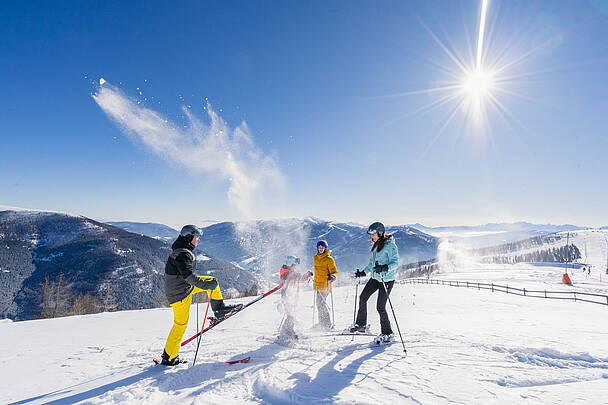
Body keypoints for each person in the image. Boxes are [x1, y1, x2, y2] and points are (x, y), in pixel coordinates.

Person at [161, 225, 240, 366]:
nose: (198, 241)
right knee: (180, 325)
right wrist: (204, 286)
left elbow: (188, 277)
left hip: (183, 287)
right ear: (188, 237)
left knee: (213, 282)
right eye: (196, 237)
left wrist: (207, 285)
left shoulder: (182, 251)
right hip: (180, 294)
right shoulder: (183, 254)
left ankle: (219, 309)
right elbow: (188, 276)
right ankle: (169, 358)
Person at [350, 222, 399, 344]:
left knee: (380, 307)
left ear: (380, 233)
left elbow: (395, 263)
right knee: (363, 298)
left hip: (386, 279)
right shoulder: (376, 245)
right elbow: (372, 264)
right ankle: (361, 325)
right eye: (371, 234)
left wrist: (384, 268)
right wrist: (363, 272)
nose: (372, 236)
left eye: (374, 233)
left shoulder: (390, 246)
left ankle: (387, 334)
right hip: (375, 277)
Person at [312, 240, 338, 330]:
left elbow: (334, 272)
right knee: (319, 304)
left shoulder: (329, 259)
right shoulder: (315, 258)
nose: (321, 249)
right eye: (319, 248)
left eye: (322, 248)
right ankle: (321, 323)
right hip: (318, 284)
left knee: (321, 304)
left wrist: (333, 277)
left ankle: (326, 324)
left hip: (325, 284)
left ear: (325, 248)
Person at [277, 255, 303, 343]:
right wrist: (293, 275)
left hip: (293, 296)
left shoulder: (293, 271)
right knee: (290, 315)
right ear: (291, 264)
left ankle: (290, 331)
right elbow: (284, 277)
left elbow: (301, 279)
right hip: (287, 296)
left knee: (292, 315)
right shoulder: (285, 270)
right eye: (295, 265)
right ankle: (285, 333)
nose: (296, 267)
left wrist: (307, 275)